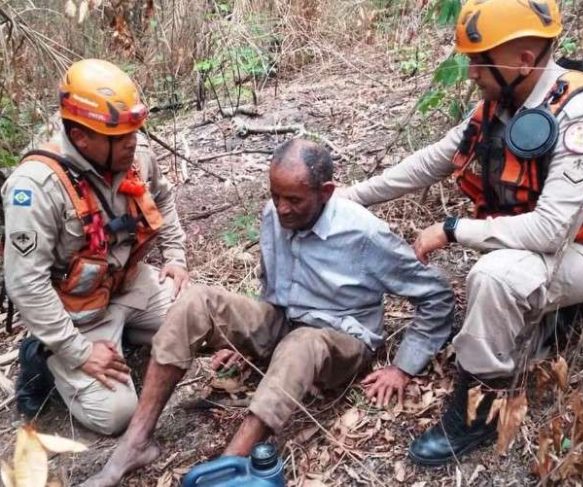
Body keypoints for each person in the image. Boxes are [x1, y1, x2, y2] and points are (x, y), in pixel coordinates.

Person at [83, 138, 454, 486]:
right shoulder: (275, 215)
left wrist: (403, 366)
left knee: (301, 343)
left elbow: (435, 295)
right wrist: (244, 340)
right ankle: (137, 440)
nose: (281, 208)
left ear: (326, 193)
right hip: (286, 321)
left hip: (340, 340)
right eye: (275, 196)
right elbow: (273, 288)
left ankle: (230, 464)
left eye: (293, 199)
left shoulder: (364, 234)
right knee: (197, 300)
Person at [341, 0, 583, 465]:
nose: (470, 72)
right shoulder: (504, 102)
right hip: (549, 245)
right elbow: (432, 160)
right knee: (500, 273)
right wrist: (352, 196)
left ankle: (480, 411)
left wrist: (453, 229)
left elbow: (553, 230)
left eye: (480, 60)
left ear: (522, 61)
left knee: (493, 276)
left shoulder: (578, 115)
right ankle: (548, 323)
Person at [2, 59, 188, 435]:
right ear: (81, 135)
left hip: (131, 285)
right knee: (116, 415)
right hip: (78, 313)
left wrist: (176, 256)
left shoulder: (136, 155)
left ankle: (127, 332)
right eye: (119, 136)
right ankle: (46, 355)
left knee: (194, 323)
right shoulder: (36, 188)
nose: (132, 142)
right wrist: (80, 353)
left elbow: (163, 198)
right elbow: (26, 284)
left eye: (134, 131)